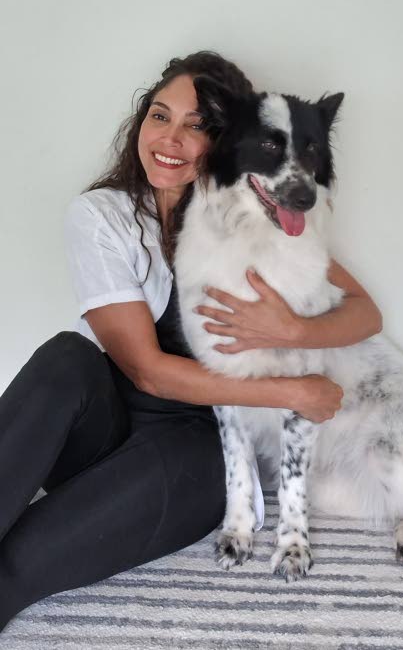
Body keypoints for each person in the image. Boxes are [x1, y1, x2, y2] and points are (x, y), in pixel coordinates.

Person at [0, 51, 382, 632]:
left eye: (196, 124)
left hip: (192, 448)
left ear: (225, 139)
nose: (171, 139)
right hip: (106, 428)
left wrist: (294, 330)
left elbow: (365, 313)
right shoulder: (102, 216)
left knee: (22, 564)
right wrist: (293, 391)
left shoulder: (263, 221)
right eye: (160, 116)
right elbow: (147, 372)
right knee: (67, 356)